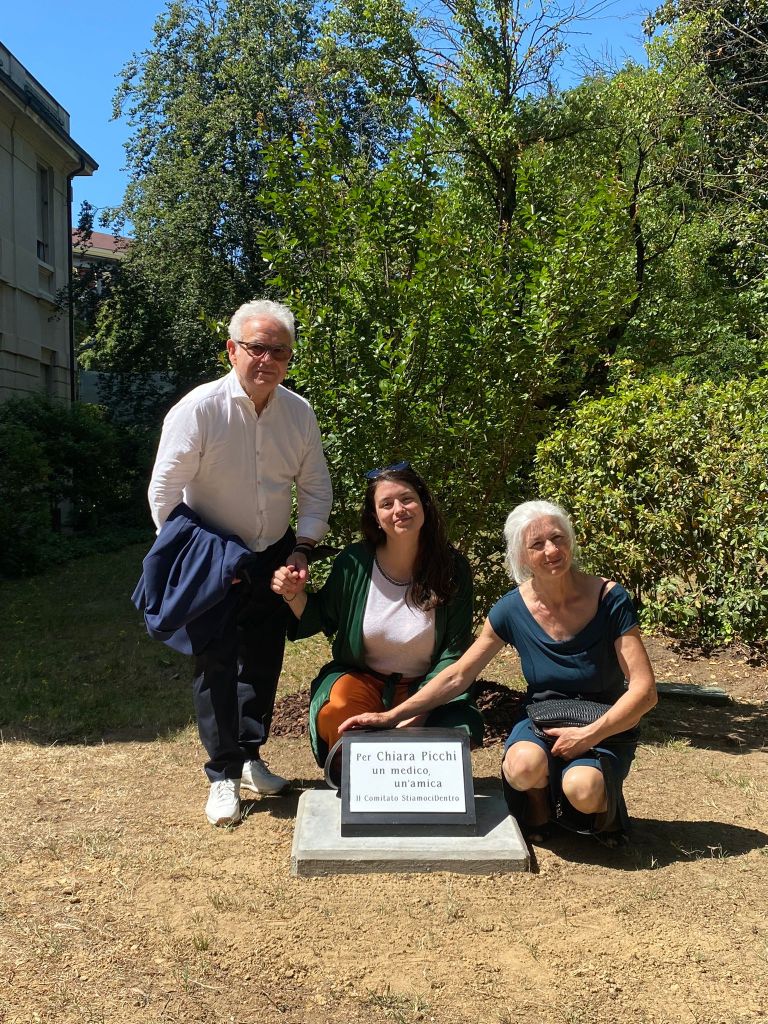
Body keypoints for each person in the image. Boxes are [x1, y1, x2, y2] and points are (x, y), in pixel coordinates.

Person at [339, 500, 657, 845]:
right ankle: (539, 807)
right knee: (522, 766)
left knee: (582, 788)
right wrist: (392, 716)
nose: (552, 550)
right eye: (537, 544)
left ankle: (592, 806)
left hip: (603, 722)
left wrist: (589, 736)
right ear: (521, 557)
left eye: (558, 538)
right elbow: (459, 675)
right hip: (543, 718)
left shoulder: (610, 598)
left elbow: (644, 691)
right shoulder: (511, 609)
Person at [148, 299, 332, 826]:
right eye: (257, 348)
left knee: (263, 659)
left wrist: (302, 548)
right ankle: (222, 775)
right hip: (212, 552)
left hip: (273, 553)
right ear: (232, 350)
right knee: (217, 664)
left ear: (289, 358)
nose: (267, 360)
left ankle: (249, 757)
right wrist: (186, 553)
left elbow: (315, 488)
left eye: (280, 351)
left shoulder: (298, 412)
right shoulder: (199, 409)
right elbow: (164, 491)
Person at [270, 463, 483, 778]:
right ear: (375, 516)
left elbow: (453, 655)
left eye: (407, 499)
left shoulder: (453, 569)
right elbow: (319, 616)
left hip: (427, 687)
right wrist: (292, 593)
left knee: (450, 741)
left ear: (424, 504)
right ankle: (364, 783)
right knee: (338, 717)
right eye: (386, 504)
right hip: (364, 682)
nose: (399, 510)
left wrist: (415, 714)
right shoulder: (354, 563)